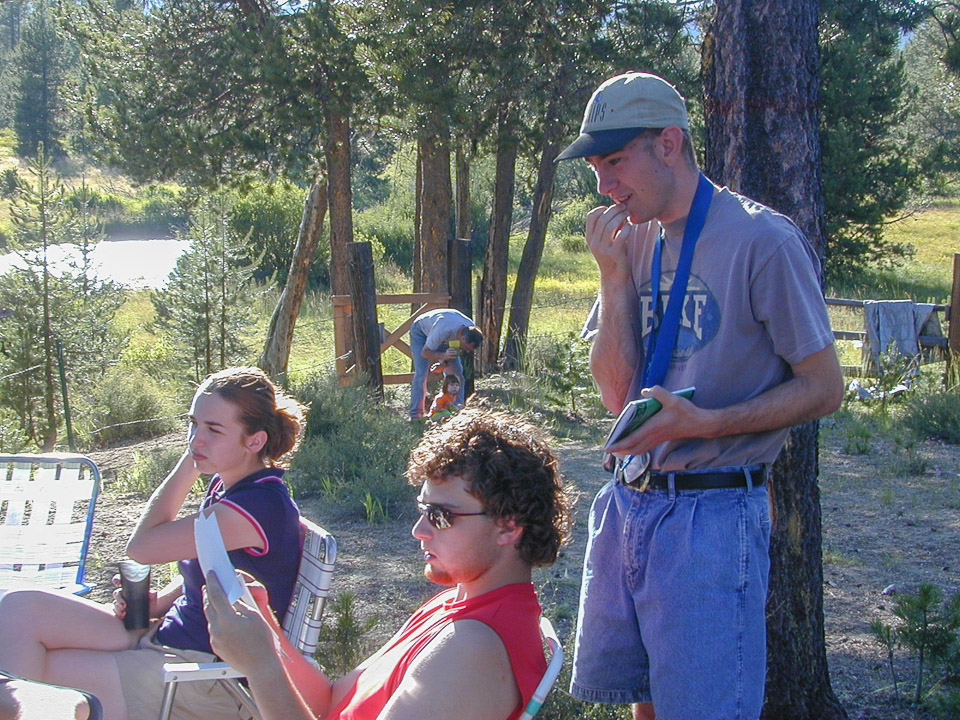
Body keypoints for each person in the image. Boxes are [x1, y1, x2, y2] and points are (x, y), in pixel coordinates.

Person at [555, 72, 844, 720]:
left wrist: (708, 422)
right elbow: (615, 393)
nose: (603, 187)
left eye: (614, 163)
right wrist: (612, 277)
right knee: (645, 705)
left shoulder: (762, 241)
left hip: (714, 517)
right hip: (630, 504)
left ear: (668, 142)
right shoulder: (631, 237)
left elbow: (826, 387)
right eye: (595, 168)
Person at [201, 407, 575, 720]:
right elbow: (332, 701)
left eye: (441, 515)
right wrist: (268, 635)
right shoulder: (456, 601)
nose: (419, 530)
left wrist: (262, 667)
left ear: (508, 527)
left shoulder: (475, 648)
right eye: (422, 509)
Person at [0, 367, 307, 720]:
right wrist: (158, 601)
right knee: (18, 610)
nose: (195, 439)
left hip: (206, 678)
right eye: (194, 424)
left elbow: (142, 547)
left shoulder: (257, 506)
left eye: (213, 430)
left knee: (34, 681)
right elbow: (216, 569)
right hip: (168, 636)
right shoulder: (231, 488)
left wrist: (188, 466)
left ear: (254, 441)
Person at [408, 308, 482, 419]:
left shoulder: (471, 329)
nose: (467, 351)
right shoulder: (443, 330)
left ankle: (456, 410)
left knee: (457, 374)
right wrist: (443, 356)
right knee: (421, 373)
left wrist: (444, 363)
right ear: (462, 338)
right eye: (466, 347)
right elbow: (425, 353)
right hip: (421, 331)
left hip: (446, 338)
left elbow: (450, 359)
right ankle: (416, 415)